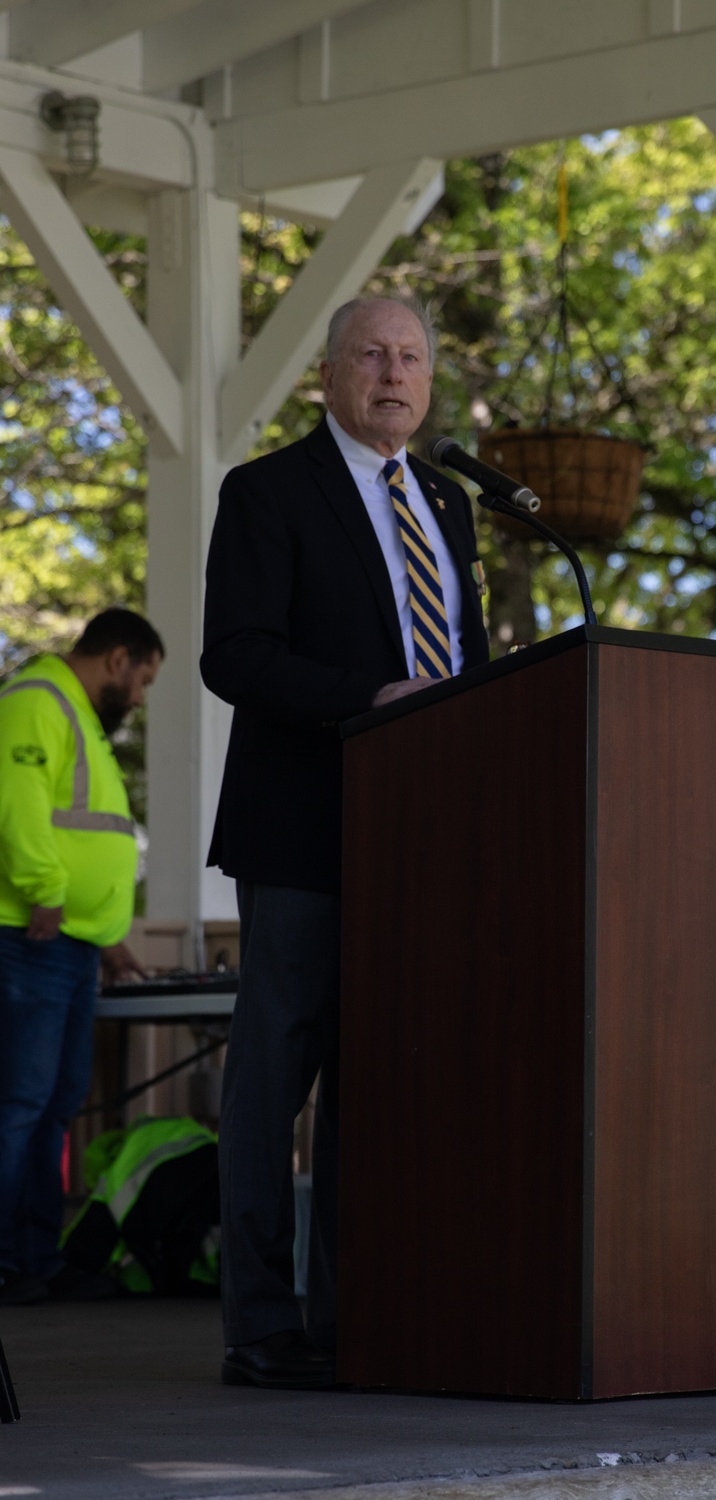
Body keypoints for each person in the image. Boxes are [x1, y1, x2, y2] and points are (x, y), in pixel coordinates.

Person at [201, 294, 490, 1389]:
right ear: (327, 373)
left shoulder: (449, 506)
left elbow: (459, 656)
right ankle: (261, 1325)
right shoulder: (269, 492)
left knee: (383, 1084)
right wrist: (369, 695)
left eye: (411, 356)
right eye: (371, 353)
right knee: (276, 1082)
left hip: (423, 846)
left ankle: (355, 1314)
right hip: (305, 829)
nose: (394, 372)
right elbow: (234, 655)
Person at [0, 608, 164, 1306]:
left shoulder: (77, 717)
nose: (140, 696)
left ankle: (36, 1259)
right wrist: (45, 891)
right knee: (21, 1104)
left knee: (54, 1105)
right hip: (29, 937)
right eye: (144, 680)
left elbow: (82, 830)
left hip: (71, 946)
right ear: (118, 657)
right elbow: (18, 803)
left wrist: (108, 938)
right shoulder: (38, 701)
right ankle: (9, 1262)